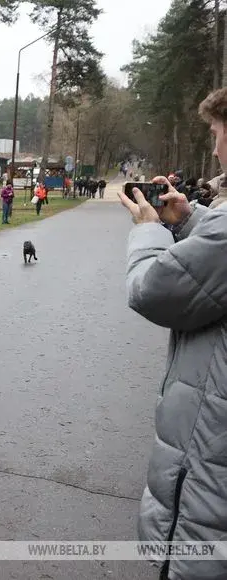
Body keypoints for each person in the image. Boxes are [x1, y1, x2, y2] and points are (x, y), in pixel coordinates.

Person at [118, 87, 227, 580]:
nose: (216, 146)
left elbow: (153, 290)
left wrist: (147, 229)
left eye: (216, 132)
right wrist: (191, 220)